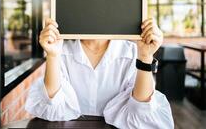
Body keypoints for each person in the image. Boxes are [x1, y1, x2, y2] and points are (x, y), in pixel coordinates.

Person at [25, 18, 174, 129]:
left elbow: (141, 111)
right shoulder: (60, 50)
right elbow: (52, 103)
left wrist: (146, 57)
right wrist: (52, 55)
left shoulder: (133, 52)